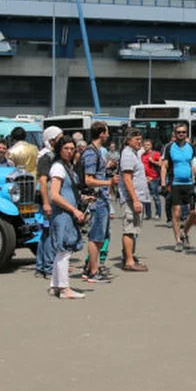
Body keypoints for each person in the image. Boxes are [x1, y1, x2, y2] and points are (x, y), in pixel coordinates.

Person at [47, 137, 86, 299]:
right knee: (65, 250)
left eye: (72, 148)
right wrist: (73, 210)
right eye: (66, 148)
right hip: (63, 214)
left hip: (66, 212)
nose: (70, 151)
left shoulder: (65, 166)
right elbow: (55, 195)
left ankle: (55, 285)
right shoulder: (58, 168)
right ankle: (64, 288)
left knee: (61, 251)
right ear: (59, 149)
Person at [80, 121, 113, 284]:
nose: (108, 135)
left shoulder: (97, 151)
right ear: (101, 133)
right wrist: (108, 183)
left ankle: (91, 267)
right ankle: (93, 271)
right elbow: (88, 179)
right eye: (106, 132)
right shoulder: (91, 153)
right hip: (97, 199)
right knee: (96, 236)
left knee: (101, 236)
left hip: (102, 198)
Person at [116, 129, 149, 272]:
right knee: (129, 229)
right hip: (131, 198)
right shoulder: (128, 154)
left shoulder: (133, 153)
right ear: (128, 140)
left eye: (140, 139)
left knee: (134, 229)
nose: (139, 142)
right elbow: (127, 178)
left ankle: (129, 256)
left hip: (136, 197)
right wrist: (135, 199)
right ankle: (129, 261)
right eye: (136, 139)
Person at [34, 125, 64, 279]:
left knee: (46, 233)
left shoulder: (51, 155)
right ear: (52, 140)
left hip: (49, 199)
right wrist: (46, 203)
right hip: (46, 200)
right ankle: (47, 266)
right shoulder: (46, 157)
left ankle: (42, 266)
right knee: (48, 233)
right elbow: (43, 181)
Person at [162, 123, 196, 252]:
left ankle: (185, 233)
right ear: (174, 134)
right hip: (175, 183)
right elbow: (164, 166)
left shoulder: (191, 148)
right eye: (178, 132)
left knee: (194, 212)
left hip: (190, 184)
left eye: (183, 132)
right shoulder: (169, 147)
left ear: (186, 133)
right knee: (176, 213)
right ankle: (178, 240)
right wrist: (163, 183)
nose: (181, 134)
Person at [140, 138, 163, 220]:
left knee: (155, 196)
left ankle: (158, 214)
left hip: (154, 178)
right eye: (145, 145)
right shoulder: (142, 155)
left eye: (148, 145)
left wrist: (153, 161)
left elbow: (161, 164)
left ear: (151, 146)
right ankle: (148, 214)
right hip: (145, 178)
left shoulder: (156, 154)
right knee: (146, 197)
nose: (146, 146)